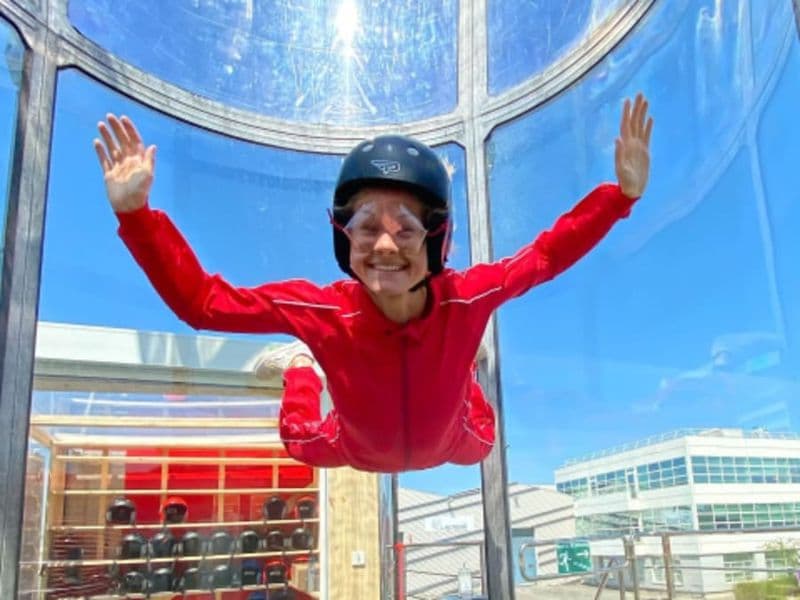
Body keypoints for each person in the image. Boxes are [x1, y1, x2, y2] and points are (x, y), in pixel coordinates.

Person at [93, 94, 653, 473]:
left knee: (484, 441)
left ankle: (464, 365)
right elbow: (204, 303)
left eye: (406, 229)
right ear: (342, 238)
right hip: (353, 446)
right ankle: (299, 369)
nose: (385, 247)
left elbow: (548, 255)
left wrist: (619, 198)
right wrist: (137, 215)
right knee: (298, 443)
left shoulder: (469, 295)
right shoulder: (322, 311)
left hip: (452, 442)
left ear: (439, 240)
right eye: (366, 228)